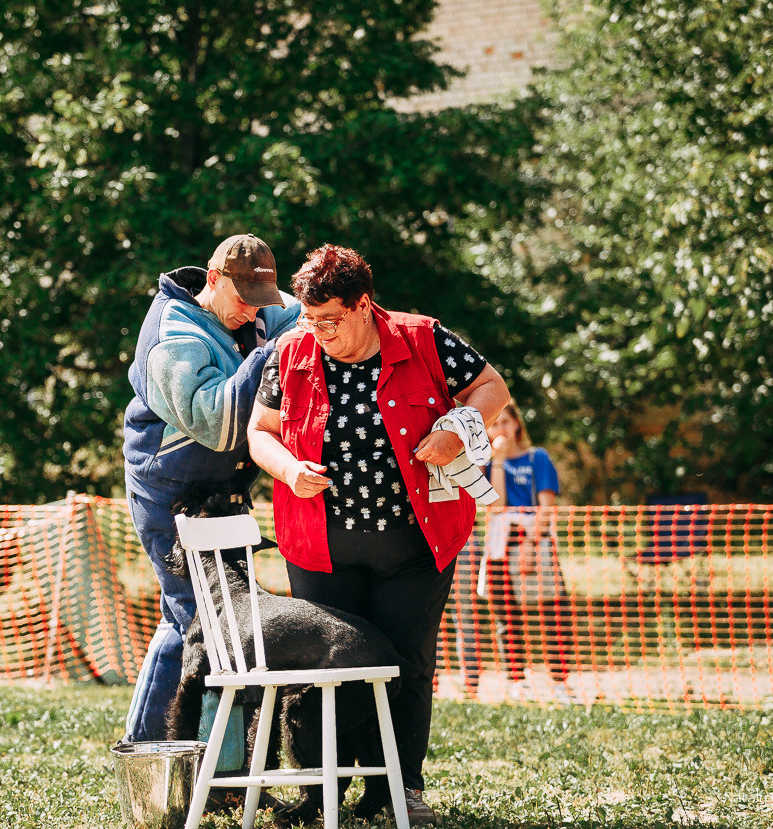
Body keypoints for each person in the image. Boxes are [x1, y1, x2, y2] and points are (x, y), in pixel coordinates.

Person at [247, 243, 509, 825]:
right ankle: (323, 790)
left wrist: (457, 429)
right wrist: (288, 469)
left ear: (364, 304)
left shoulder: (424, 338)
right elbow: (260, 432)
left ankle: (399, 789)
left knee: (407, 665)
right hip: (320, 549)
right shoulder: (289, 352)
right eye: (309, 320)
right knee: (327, 671)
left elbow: (492, 388)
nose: (318, 333)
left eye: (330, 320)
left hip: (415, 547)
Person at [121, 233, 301, 742]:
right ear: (214, 279)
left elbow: (308, 316)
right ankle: (209, 765)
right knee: (210, 627)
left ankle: (152, 753)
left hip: (222, 490)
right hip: (169, 490)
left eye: (262, 301)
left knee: (191, 620)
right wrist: (272, 354)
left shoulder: (256, 307)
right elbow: (218, 425)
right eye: (244, 300)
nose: (254, 313)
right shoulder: (172, 334)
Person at [454, 401, 577, 703]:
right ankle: (517, 680)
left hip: (535, 540)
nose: (501, 429)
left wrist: (531, 545)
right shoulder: (485, 464)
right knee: (506, 616)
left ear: (517, 424)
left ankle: (560, 681)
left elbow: (547, 506)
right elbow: (495, 505)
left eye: (505, 422)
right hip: (500, 545)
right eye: (494, 424)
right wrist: (497, 460)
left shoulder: (537, 457)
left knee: (552, 613)